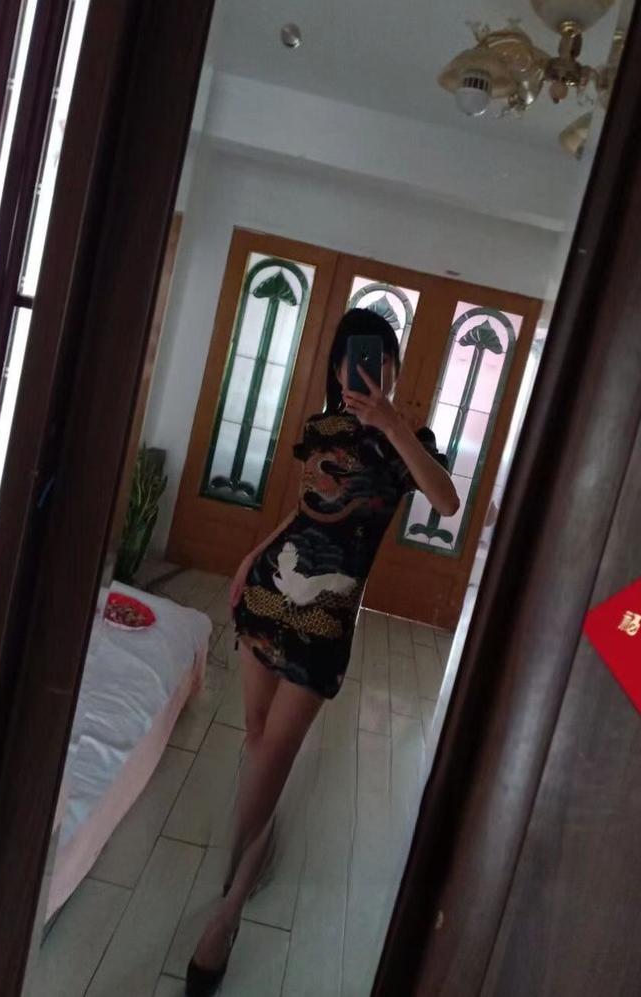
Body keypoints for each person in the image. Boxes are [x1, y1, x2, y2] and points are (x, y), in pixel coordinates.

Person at [186, 308, 459, 996]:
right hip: (268, 592)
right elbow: (305, 507)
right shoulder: (320, 428)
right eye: (354, 359)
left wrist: (391, 424)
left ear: (390, 370)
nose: (364, 370)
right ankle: (250, 858)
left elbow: (447, 500)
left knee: (276, 750)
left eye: (379, 359)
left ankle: (227, 908)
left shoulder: (408, 442)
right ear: (337, 370)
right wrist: (250, 553)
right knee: (256, 738)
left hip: (325, 619)